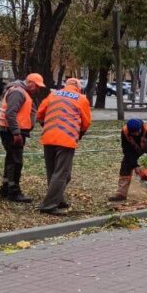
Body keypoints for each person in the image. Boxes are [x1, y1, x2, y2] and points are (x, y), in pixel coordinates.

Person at [36, 78, 92, 214]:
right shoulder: (81, 98)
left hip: (49, 137)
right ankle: (49, 205)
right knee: (62, 173)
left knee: (53, 171)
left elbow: (39, 114)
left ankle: (57, 199)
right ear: (78, 87)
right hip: (66, 139)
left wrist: (47, 126)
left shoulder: (53, 94)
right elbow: (86, 122)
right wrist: (79, 134)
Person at [0, 73, 47, 203]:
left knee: (11, 160)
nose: (38, 89)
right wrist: (16, 133)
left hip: (12, 131)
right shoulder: (18, 93)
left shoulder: (21, 92)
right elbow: (10, 113)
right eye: (37, 86)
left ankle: (6, 188)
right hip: (12, 132)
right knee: (16, 162)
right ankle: (14, 192)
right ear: (30, 83)